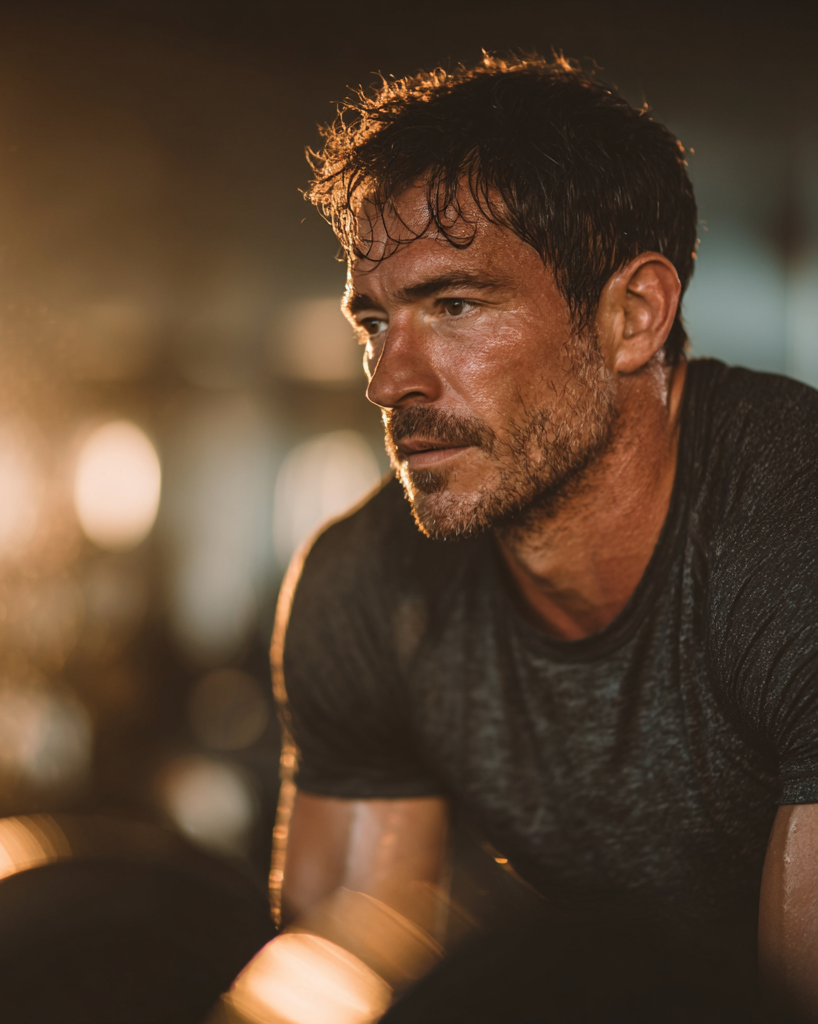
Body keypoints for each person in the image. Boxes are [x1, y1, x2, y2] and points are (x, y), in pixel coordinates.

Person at [261, 53, 818, 1019]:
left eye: (455, 305)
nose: (389, 381)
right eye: (374, 322)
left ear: (632, 316)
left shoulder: (791, 533)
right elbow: (332, 988)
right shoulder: (363, 586)